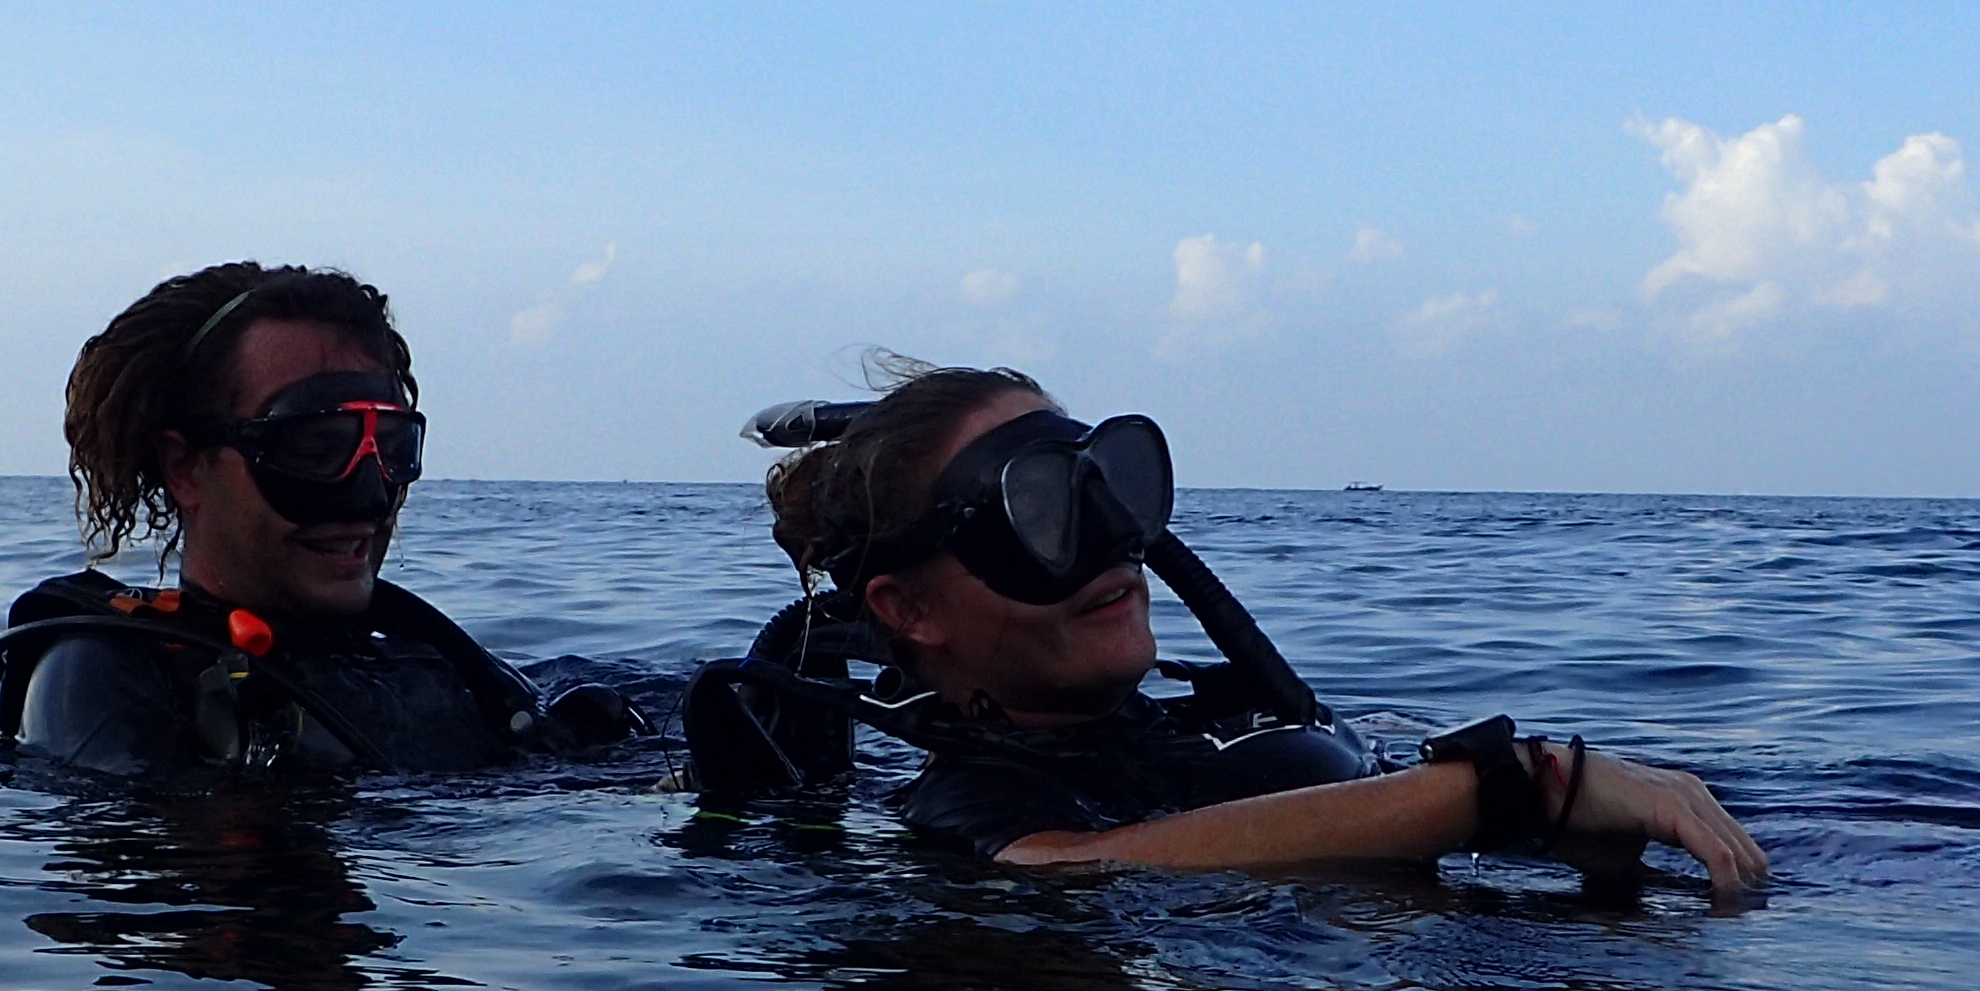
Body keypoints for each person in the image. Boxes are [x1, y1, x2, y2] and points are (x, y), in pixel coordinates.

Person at [730, 363, 1767, 891]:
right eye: (1040, 515)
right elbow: (1062, 865)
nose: (1115, 547)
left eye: (1113, 490)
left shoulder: (1206, 720)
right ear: (908, 611)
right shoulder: (976, 800)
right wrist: (1508, 788)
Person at [0, 261, 629, 775]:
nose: (369, 499)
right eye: (315, 449)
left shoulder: (431, 663)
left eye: (390, 449)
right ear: (185, 469)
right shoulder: (100, 680)